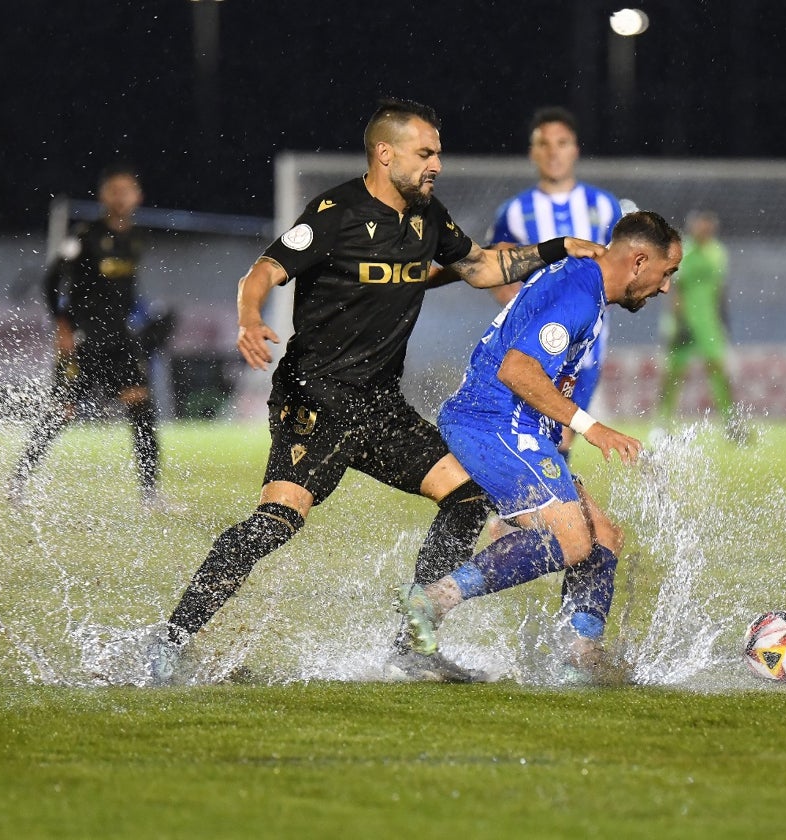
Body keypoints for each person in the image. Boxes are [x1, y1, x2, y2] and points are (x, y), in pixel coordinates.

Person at [148, 98, 605, 683]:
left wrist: (554, 249)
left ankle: (412, 642)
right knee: (277, 521)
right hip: (315, 401)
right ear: (385, 154)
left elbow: (483, 268)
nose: (436, 163)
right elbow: (262, 270)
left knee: (467, 499)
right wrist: (248, 317)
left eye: (437, 152)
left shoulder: (428, 218)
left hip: (381, 405)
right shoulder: (336, 212)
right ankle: (173, 640)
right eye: (425, 152)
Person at [395, 211, 682, 684]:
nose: (666, 287)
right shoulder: (578, 294)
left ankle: (579, 656)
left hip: (521, 427)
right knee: (570, 540)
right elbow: (516, 369)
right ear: (638, 261)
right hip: (492, 423)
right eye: (666, 272)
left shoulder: (584, 282)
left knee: (603, 535)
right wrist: (592, 427)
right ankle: (432, 600)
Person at [8, 164, 172, 510]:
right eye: (114, 190)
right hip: (84, 338)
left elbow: (125, 290)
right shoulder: (84, 236)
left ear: (138, 197)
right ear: (103, 196)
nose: (121, 197)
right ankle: (18, 482)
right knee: (61, 411)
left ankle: (150, 495)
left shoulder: (137, 237)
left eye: (127, 190)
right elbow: (52, 282)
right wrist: (63, 326)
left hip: (119, 339)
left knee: (141, 406)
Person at [488, 107, 631, 457]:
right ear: (532, 152)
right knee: (537, 434)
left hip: (587, 351)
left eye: (562, 143)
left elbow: (626, 264)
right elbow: (495, 267)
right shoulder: (514, 212)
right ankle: (535, 508)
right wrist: (519, 309)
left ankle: (534, 508)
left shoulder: (605, 205)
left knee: (561, 435)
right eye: (544, 144)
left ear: (575, 149)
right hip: (535, 348)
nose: (553, 152)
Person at [656, 210, 741, 439]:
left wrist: (723, 319)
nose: (704, 229)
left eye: (708, 225)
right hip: (684, 322)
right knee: (674, 373)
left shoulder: (718, 252)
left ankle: (731, 423)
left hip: (709, 323)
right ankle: (662, 424)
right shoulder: (684, 251)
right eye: (700, 225)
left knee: (719, 370)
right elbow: (676, 289)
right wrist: (677, 322)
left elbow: (720, 289)